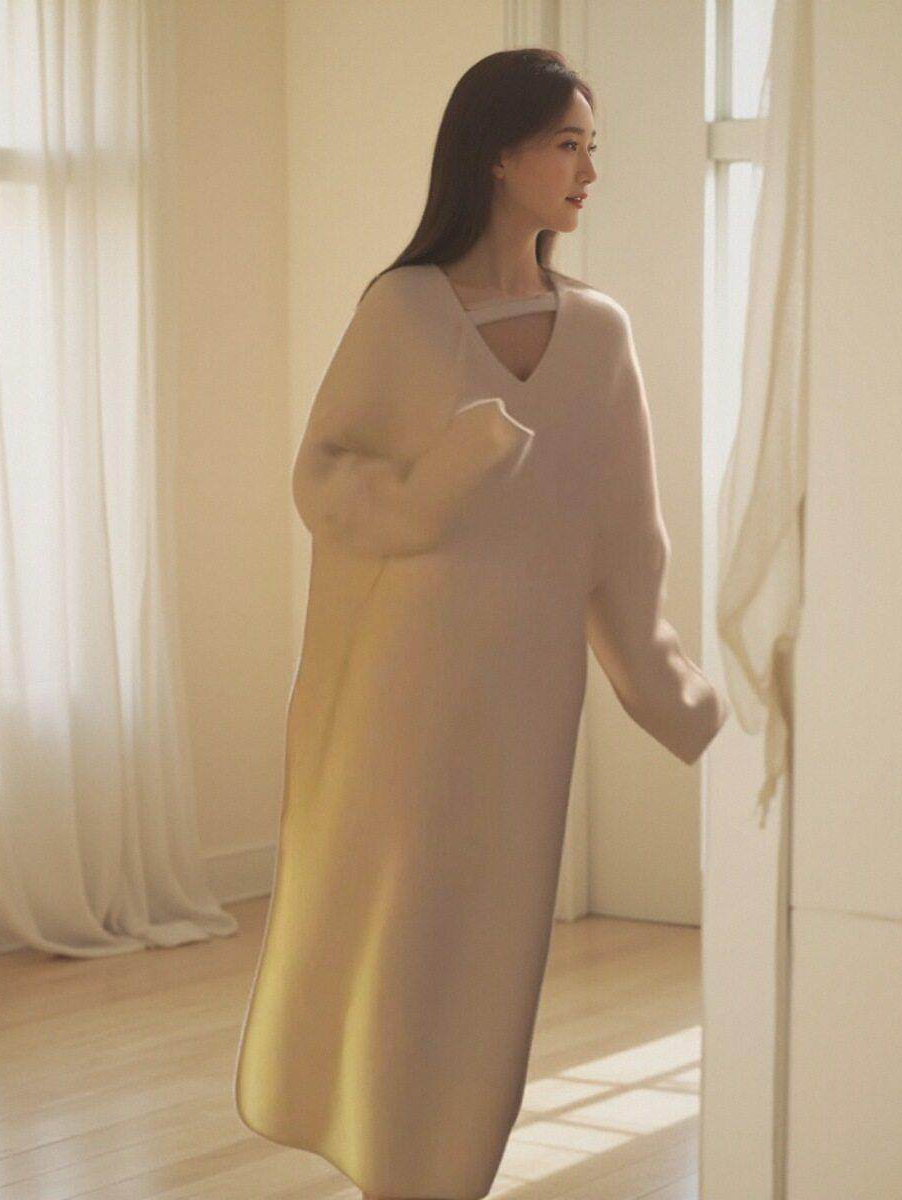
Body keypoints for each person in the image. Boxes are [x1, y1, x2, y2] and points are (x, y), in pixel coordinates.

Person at [234, 47, 730, 1200]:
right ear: (498, 155)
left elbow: (626, 543)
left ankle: (442, 1173)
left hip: (527, 699)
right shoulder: (402, 310)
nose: (590, 169)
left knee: (494, 949)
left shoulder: (599, 335)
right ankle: (388, 1165)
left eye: (593, 147)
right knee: (399, 931)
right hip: (400, 691)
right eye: (569, 145)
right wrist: (428, 494)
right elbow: (322, 477)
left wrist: (694, 709)